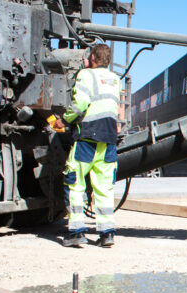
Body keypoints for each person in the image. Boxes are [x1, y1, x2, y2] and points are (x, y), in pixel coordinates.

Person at [54, 44, 121, 248]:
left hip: (88, 139)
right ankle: (106, 234)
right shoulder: (115, 79)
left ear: (92, 57)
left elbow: (80, 104)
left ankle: (76, 232)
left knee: (75, 182)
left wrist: (63, 121)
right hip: (108, 139)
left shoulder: (86, 75)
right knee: (104, 187)